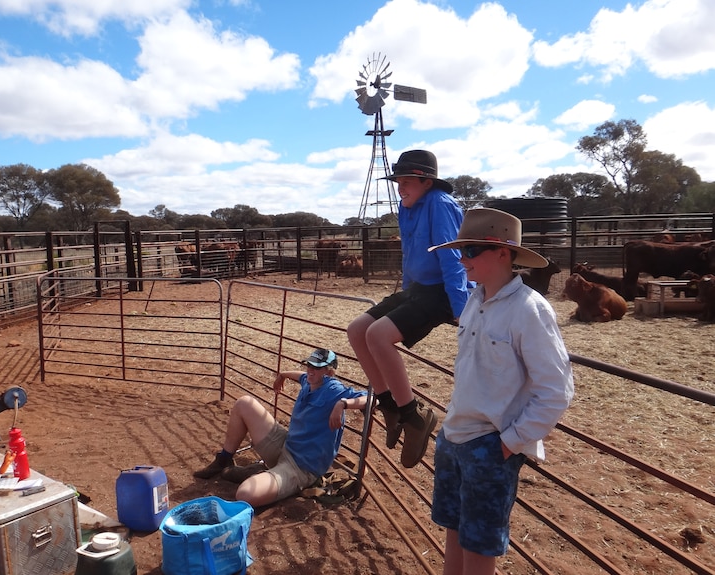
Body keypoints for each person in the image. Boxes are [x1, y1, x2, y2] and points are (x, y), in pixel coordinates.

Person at [427, 207, 574, 575]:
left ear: (503, 253)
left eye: (471, 250)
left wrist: (509, 443)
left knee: (478, 549)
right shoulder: (475, 301)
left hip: (489, 446)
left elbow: (556, 389)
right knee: (455, 532)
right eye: (462, 250)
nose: (462, 258)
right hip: (455, 436)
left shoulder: (529, 310)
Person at [347, 149, 470, 468]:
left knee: (378, 335)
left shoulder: (441, 204)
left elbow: (451, 256)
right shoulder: (407, 206)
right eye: (398, 180)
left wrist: (461, 307)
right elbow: (410, 252)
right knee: (357, 329)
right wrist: (404, 293)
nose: (401, 187)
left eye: (407, 181)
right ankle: (388, 404)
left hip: (442, 290)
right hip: (417, 289)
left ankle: (414, 416)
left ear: (427, 181)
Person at [193, 348, 368, 508]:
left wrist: (343, 403)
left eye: (317, 367)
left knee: (245, 494)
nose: (310, 370)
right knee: (244, 403)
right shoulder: (309, 381)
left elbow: (370, 398)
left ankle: (264, 476)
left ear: (329, 372)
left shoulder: (333, 389)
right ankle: (224, 460)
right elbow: (301, 375)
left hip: (300, 467)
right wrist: (283, 374)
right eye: (309, 365)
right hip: (287, 445)